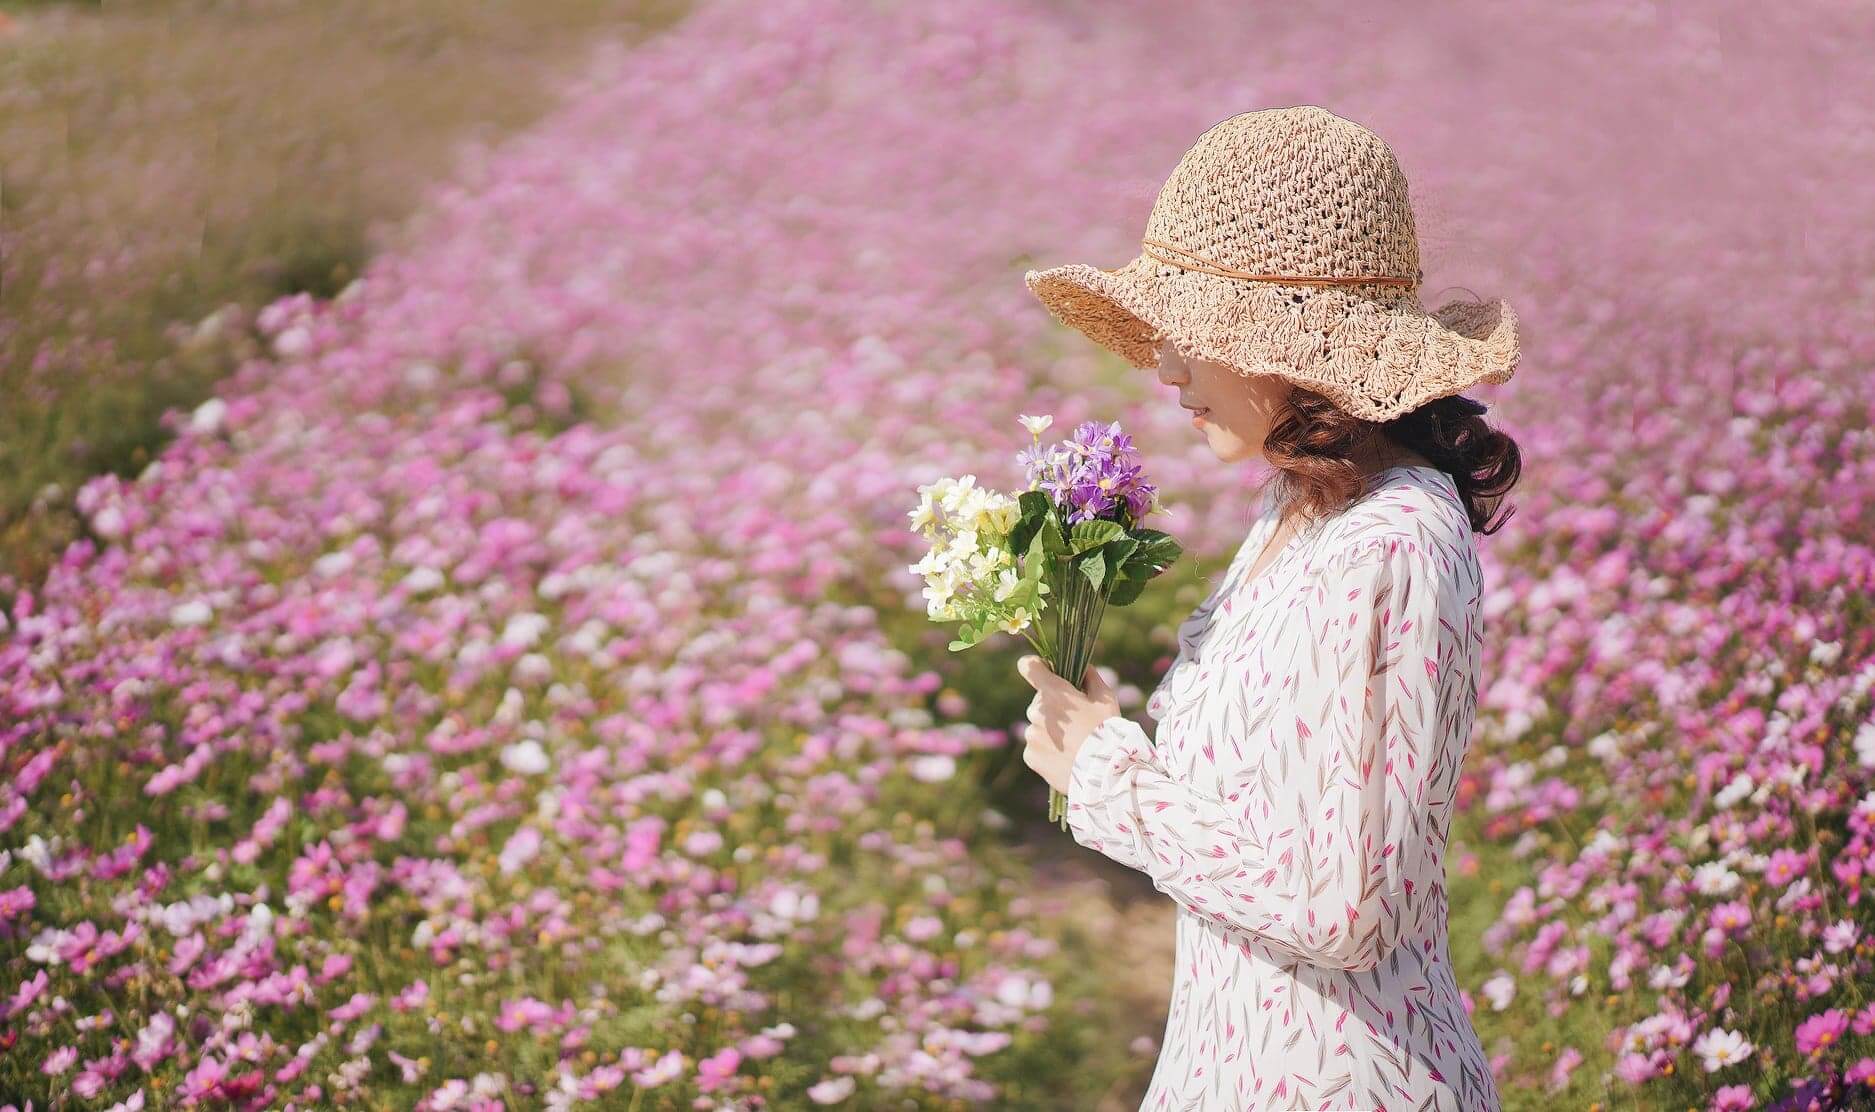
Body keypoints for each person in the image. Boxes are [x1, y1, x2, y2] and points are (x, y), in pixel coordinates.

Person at [1016, 106, 1522, 1111]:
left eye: (1193, 335)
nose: (1164, 367)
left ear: (1288, 344)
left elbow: (1345, 907)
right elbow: (1272, 818)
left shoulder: (1395, 545)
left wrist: (1109, 777)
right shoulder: (1302, 501)